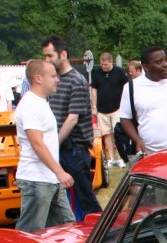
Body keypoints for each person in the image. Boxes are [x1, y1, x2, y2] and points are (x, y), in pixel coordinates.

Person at [42, 35, 101, 217]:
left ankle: (100, 230)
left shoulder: (76, 80)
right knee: (65, 201)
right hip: (61, 147)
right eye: (45, 56)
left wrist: (53, 144)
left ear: (63, 54)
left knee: (86, 201)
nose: (47, 60)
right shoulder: (54, 81)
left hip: (74, 148)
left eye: (50, 56)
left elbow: (72, 118)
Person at [13, 60, 75, 233]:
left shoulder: (41, 102)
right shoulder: (30, 105)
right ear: (38, 78)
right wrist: (59, 171)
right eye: (53, 76)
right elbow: (37, 143)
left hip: (50, 180)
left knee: (68, 229)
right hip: (36, 180)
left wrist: (56, 174)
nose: (57, 80)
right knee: (30, 233)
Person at [90, 52, 128, 166]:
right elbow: (94, 90)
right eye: (102, 64)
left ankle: (121, 158)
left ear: (111, 62)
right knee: (107, 134)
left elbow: (126, 88)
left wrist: (125, 105)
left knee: (119, 135)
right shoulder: (97, 73)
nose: (104, 67)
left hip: (117, 109)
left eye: (106, 64)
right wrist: (94, 107)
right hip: (102, 110)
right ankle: (111, 159)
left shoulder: (119, 72)